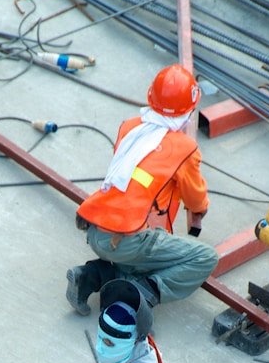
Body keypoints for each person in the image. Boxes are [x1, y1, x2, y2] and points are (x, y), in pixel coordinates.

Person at [67, 64, 218, 316]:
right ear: (190, 110)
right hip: (127, 240)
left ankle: (90, 276)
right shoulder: (184, 148)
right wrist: (200, 210)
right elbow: (195, 198)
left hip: (95, 228)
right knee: (204, 258)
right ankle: (141, 293)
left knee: (142, 252)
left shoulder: (130, 127)